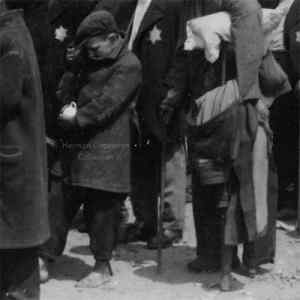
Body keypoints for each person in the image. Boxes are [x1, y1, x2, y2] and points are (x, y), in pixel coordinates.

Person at [162, 0, 289, 291]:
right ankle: (252, 258)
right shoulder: (253, 47)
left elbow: (177, 82)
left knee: (210, 189)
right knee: (247, 192)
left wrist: (170, 102)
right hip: (243, 127)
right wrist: (261, 103)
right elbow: (276, 80)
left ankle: (209, 255)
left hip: (205, 125)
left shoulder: (195, 42)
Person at [44, 10, 142, 288]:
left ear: (113, 38)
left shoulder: (130, 64)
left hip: (107, 147)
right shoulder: (87, 59)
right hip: (74, 145)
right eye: (87, 48)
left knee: (102, 206)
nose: (92, 53)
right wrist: (70, 74)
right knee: (58, 199)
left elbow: (107, 103)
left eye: (95, 47)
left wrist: (76, 118)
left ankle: (101, 266)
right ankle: (44, 258)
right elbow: (68, 89)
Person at [126, 0, 186, 249]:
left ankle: (170, 225)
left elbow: (184, 50)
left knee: (169, 160)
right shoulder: (130, 7)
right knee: (140, 160)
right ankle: (145, 221)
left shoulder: (173, 5)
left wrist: (174, 90)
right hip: (136, 96)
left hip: (161, 96)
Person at [0, 1, 49, 299]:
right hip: (12, 169)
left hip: (12, 173)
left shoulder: (9, 39)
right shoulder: (11, 32)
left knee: (18, 277)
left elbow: (3, 98)